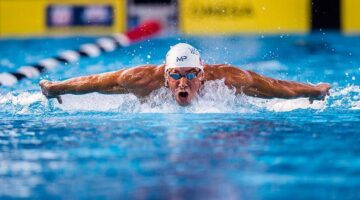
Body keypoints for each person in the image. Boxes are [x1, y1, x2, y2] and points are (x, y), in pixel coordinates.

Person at [39, 43, 331, 106]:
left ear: (203, 76)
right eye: (176, 75)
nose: (183, 81)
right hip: (145, 88)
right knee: (118, 88)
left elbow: (273, 86)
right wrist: (56, 88)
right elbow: (94, 81)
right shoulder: (143, 79)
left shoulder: (226, 79)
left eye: (191, 75)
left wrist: (312, 91)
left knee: (253, 89)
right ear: (166, 76)